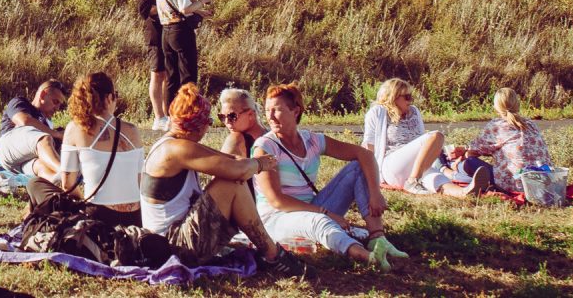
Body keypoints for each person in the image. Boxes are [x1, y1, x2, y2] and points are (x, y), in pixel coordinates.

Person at [249, 83, 403, 269]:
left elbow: (365, 155)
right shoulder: (265, 147)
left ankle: (378, 237)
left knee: (357, 167)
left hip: (311, 207)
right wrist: (327, 213)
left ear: (295, 111)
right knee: (320, 221)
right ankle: (365, 256)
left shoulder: (312, 140)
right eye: (267, 110)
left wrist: (375, 192)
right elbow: (277, 201)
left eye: (277, 110)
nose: (270, 116)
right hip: (278, 218)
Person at [141, 85, 291, 268]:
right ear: (199, 126)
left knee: (232, 177)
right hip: (174, 247)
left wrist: (246, 163)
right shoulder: (177, 149)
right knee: (232, 182)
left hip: (171, 241)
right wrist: (260, 164)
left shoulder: (175, 143)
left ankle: (269, 251)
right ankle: (273, 255)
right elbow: (236, 169)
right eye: (210, 122)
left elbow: (229, 161)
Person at [46, 72, 144, 224]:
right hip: (134, 218)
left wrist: (83, 200)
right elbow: (140, 181)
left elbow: (68, 183)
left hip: (98, 216)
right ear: (109, 97)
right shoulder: (132, 130)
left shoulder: (75, 129)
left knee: (36, 185)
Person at [362, 78, 470, 194]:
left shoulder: (414, 112)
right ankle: (413, 182)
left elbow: (422, 144)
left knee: (438, 179)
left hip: (415, 168)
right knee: (437, 136)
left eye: (411, 96)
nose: (410, 100)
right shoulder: (378, 112)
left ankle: (464, 193)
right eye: (406, 97)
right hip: (391, 166)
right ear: (393, 96)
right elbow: (369, 145)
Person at [449, 88, 547, 195]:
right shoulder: (531, 124)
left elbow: (474, 150)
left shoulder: (497, 126)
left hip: (514, 184)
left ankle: (450, 171)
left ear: (496, 107)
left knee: (469, 162)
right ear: (518, 104)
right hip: (543, 182)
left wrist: (462, 155)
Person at [155, 0, 210, 96]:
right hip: (180, 32)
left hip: (166, 32)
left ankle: (170, 113)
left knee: (171, 76)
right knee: (188, 75)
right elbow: (185, 9)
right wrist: (203, 1)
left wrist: (198, 11)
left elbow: (174, 7)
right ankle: (188, 111)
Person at [0, 80, 67, 179]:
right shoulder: (20, 102)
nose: (57, 108)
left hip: (21, 164)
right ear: (43, 95)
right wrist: (57, 134)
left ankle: (60, 186)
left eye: (60, 104)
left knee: (41, 166)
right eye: (55, 102)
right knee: (44, 139)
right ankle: (66, 174)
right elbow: (24, 121)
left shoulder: (47, 123)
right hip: (8, 149)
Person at [141, 0, 170, 131]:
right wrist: (163, 10)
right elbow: (143, 10)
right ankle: (158, 117)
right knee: (157, 74)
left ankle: (167, 115)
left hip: (169, 34)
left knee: (169, 75)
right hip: (154, 35)